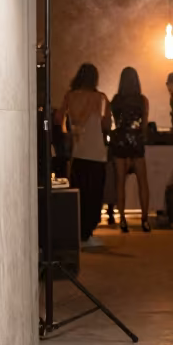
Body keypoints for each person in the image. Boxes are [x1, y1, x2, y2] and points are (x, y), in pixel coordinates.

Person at [57, 63, 110, 251]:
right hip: (96, 153)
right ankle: (88, 233)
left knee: (79, 193)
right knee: (94, 194)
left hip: (77, 153)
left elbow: (58, 118)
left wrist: (70, 131)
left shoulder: (69, 97)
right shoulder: (100, 98)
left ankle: (78, 233)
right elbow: (106, 125)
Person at [110, 67, 151, 232]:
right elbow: (145, 123)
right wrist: (142, 136)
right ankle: (145, 219)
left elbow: (115, 121)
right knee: (143, 182)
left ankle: (123, 221)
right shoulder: (142, 100)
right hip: (136, 141)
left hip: (120, 141)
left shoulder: (116, 100)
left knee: (120, 182)